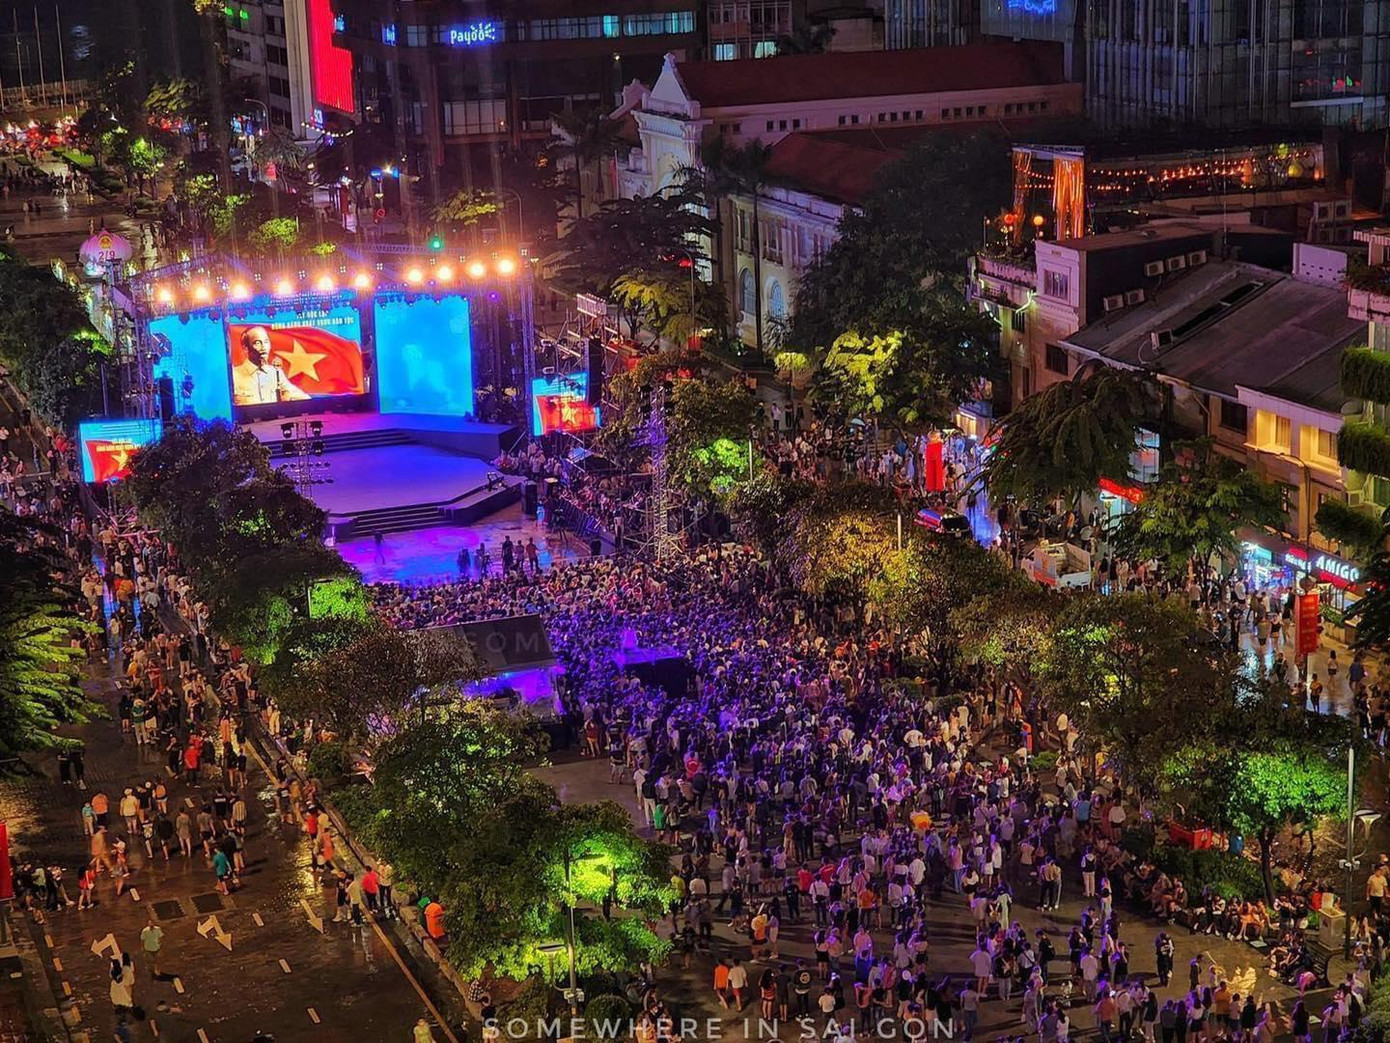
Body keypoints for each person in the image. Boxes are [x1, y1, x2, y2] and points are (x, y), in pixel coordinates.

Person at [231, 326, 311, 405]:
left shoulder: (275, 373)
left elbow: (306, 399)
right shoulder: (234, 375)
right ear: (245, 348)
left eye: (266, 342)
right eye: (257, 343)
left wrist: (288, 397)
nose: (264, 347)